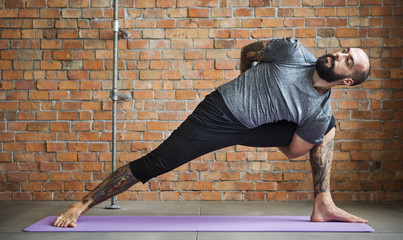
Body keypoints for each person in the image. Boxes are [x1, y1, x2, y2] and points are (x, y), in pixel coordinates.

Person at [53, 38, 371, 228]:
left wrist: (266, 119)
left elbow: (293, 151)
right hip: (216, 114)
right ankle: (81, 204)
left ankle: (323, 204)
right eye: (343, 50)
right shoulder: (291, 51)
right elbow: (250, 52)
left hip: (251, 128)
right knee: (157, 163)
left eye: (348, 61)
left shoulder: (317, 113)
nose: (339, 55)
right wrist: (249, 84)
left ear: (347, 82)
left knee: (327, 126)